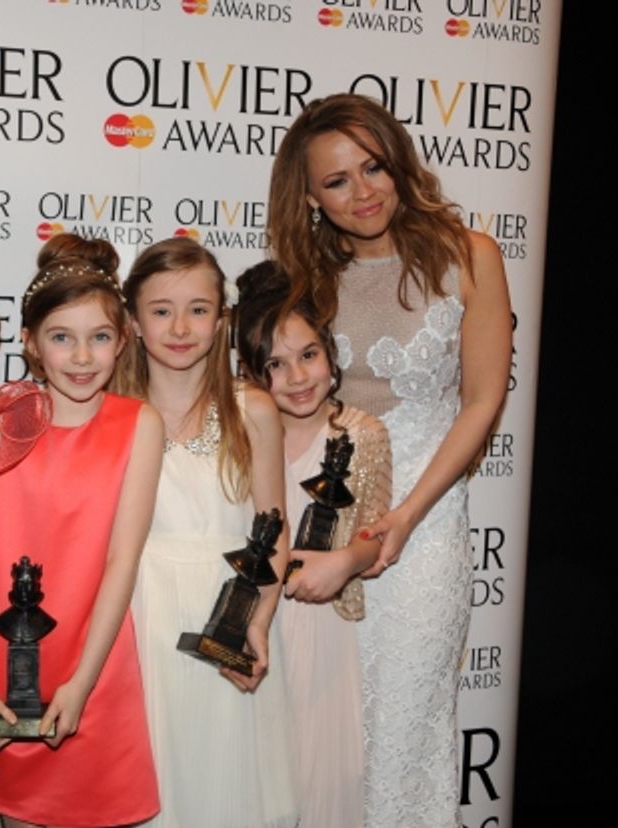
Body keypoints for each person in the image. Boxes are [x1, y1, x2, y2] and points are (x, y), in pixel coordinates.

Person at [268, 93, 512, 827]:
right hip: (325, 522)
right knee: (323, 735)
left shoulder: (470, 256)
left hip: (425, 524)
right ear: (310, 197)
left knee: (407, 726)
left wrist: (405, 517)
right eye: (336, 180)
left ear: (399, 163)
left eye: (373, 167)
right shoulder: (303, 278)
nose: (363, 191)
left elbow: (481, 401)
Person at [0, 235, 163, 827]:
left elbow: (121, 560)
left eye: (99, 337)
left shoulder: (139, 425)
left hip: (95, 663)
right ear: (31, 344)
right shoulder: (1, 421)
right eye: (62, 338)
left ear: (123, 340)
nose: (82, 357)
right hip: (8, 663)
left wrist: (82, 683)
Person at [114, 237, 297, 828]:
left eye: (198, 309)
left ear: (222, 320)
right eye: (161, 310)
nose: (179, 327)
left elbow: (274, 528)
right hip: (135, 617)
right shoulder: (109, 410)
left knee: (223, 786)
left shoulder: (253, 410)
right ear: (133, 321)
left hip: (228, 616)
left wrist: (257, 621)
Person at [235, 260, 393, 828]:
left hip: (322, 632)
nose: (298, 376)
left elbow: (376, 535)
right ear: (250, 372)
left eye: (308, 355)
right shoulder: (239, 429)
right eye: (275, 365)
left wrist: (344, 562)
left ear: (330, 352)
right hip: (248, 619)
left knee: (318, 781)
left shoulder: (363, 434)